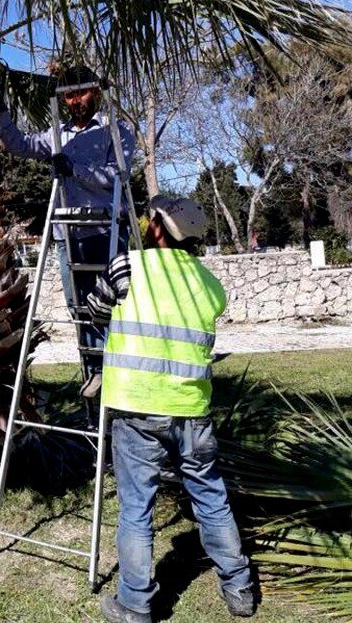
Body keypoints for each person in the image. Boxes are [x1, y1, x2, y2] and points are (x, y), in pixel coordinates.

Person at [86, 195, 255, 623]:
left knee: (137, 510)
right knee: (212, 499)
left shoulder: (128, 266)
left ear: (158, 227)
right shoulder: (209, 282)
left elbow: (94, 311)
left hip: (137, 407)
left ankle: (135, 604)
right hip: (191, 409)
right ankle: (240, 590)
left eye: (148, 219)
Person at [0, 65, 135, 396]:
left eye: (81, 92)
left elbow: (117, 176)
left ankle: (118, 379)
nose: (75, 100)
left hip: (105, 230)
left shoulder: (116, 131)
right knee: (80, 309)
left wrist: (75, 169)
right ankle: (93, 378)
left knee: (112, 306)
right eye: (69, 95)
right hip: (68, 234)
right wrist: (1, 111)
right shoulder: (58, 134)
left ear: (95, 92)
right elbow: (20, 144)